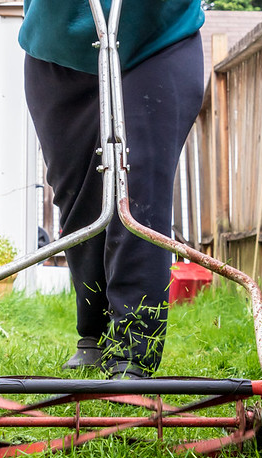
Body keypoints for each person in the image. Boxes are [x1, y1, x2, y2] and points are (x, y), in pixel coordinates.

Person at [19, 1, 205, 379]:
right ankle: (95, 332)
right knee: (78, 199)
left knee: (138, 192)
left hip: (156, 40)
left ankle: (133, 348)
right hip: (59, 49)